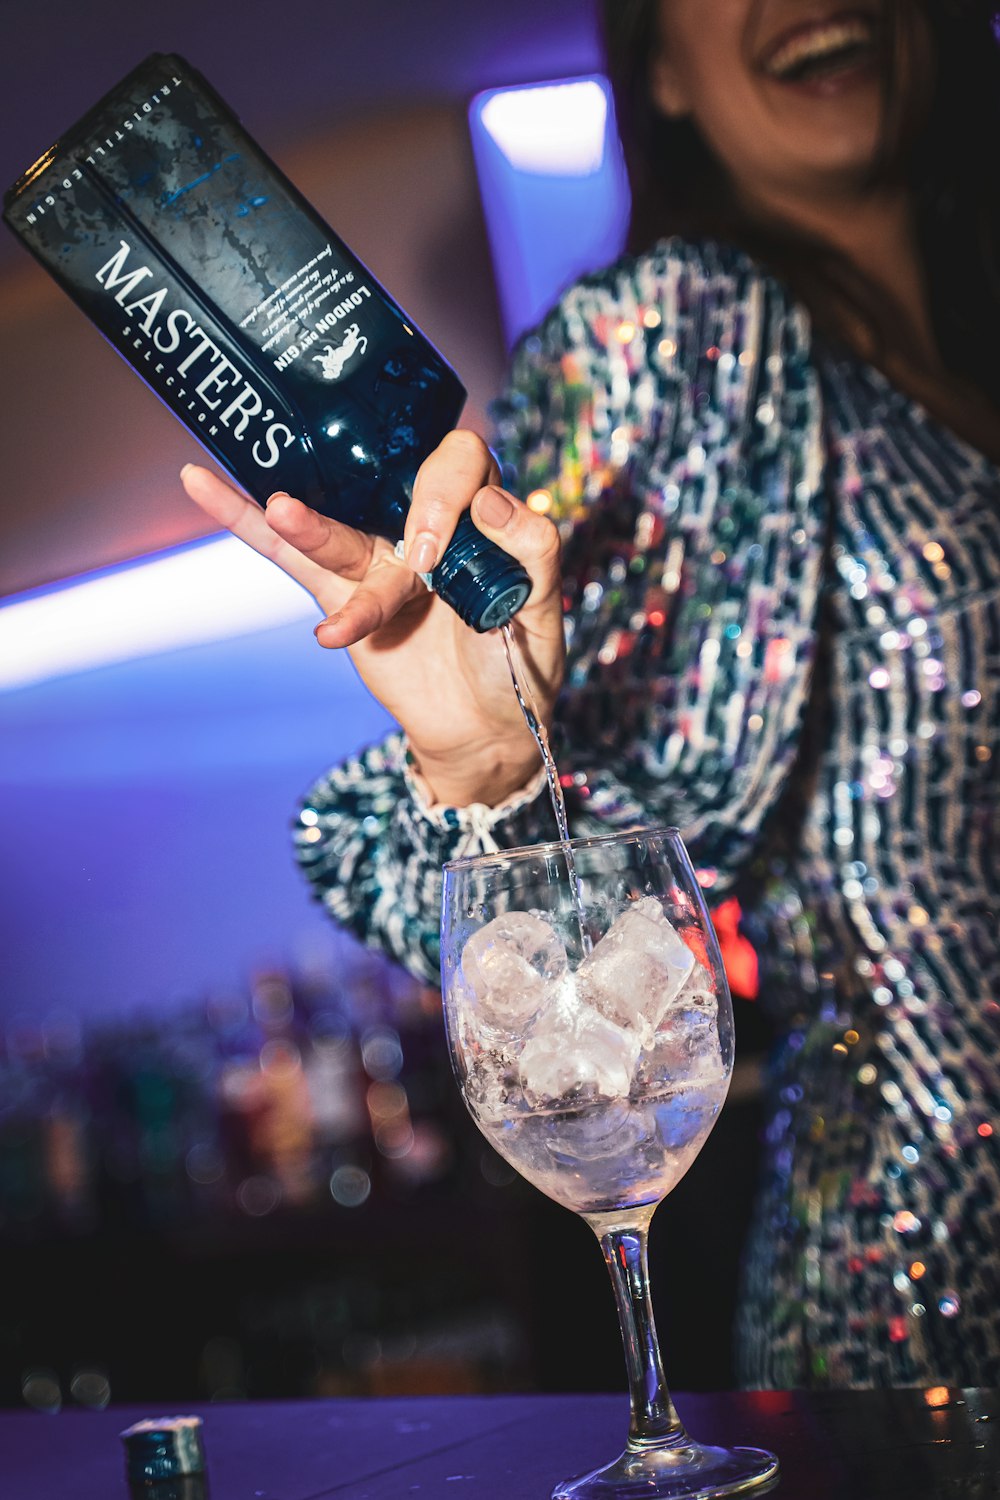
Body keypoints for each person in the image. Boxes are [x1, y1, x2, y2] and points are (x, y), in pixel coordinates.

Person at [181, 0, 1000, 1389]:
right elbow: (608, 891)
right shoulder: (676, 339)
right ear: (659, 64)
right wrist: (494, 764)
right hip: (933, 1257)